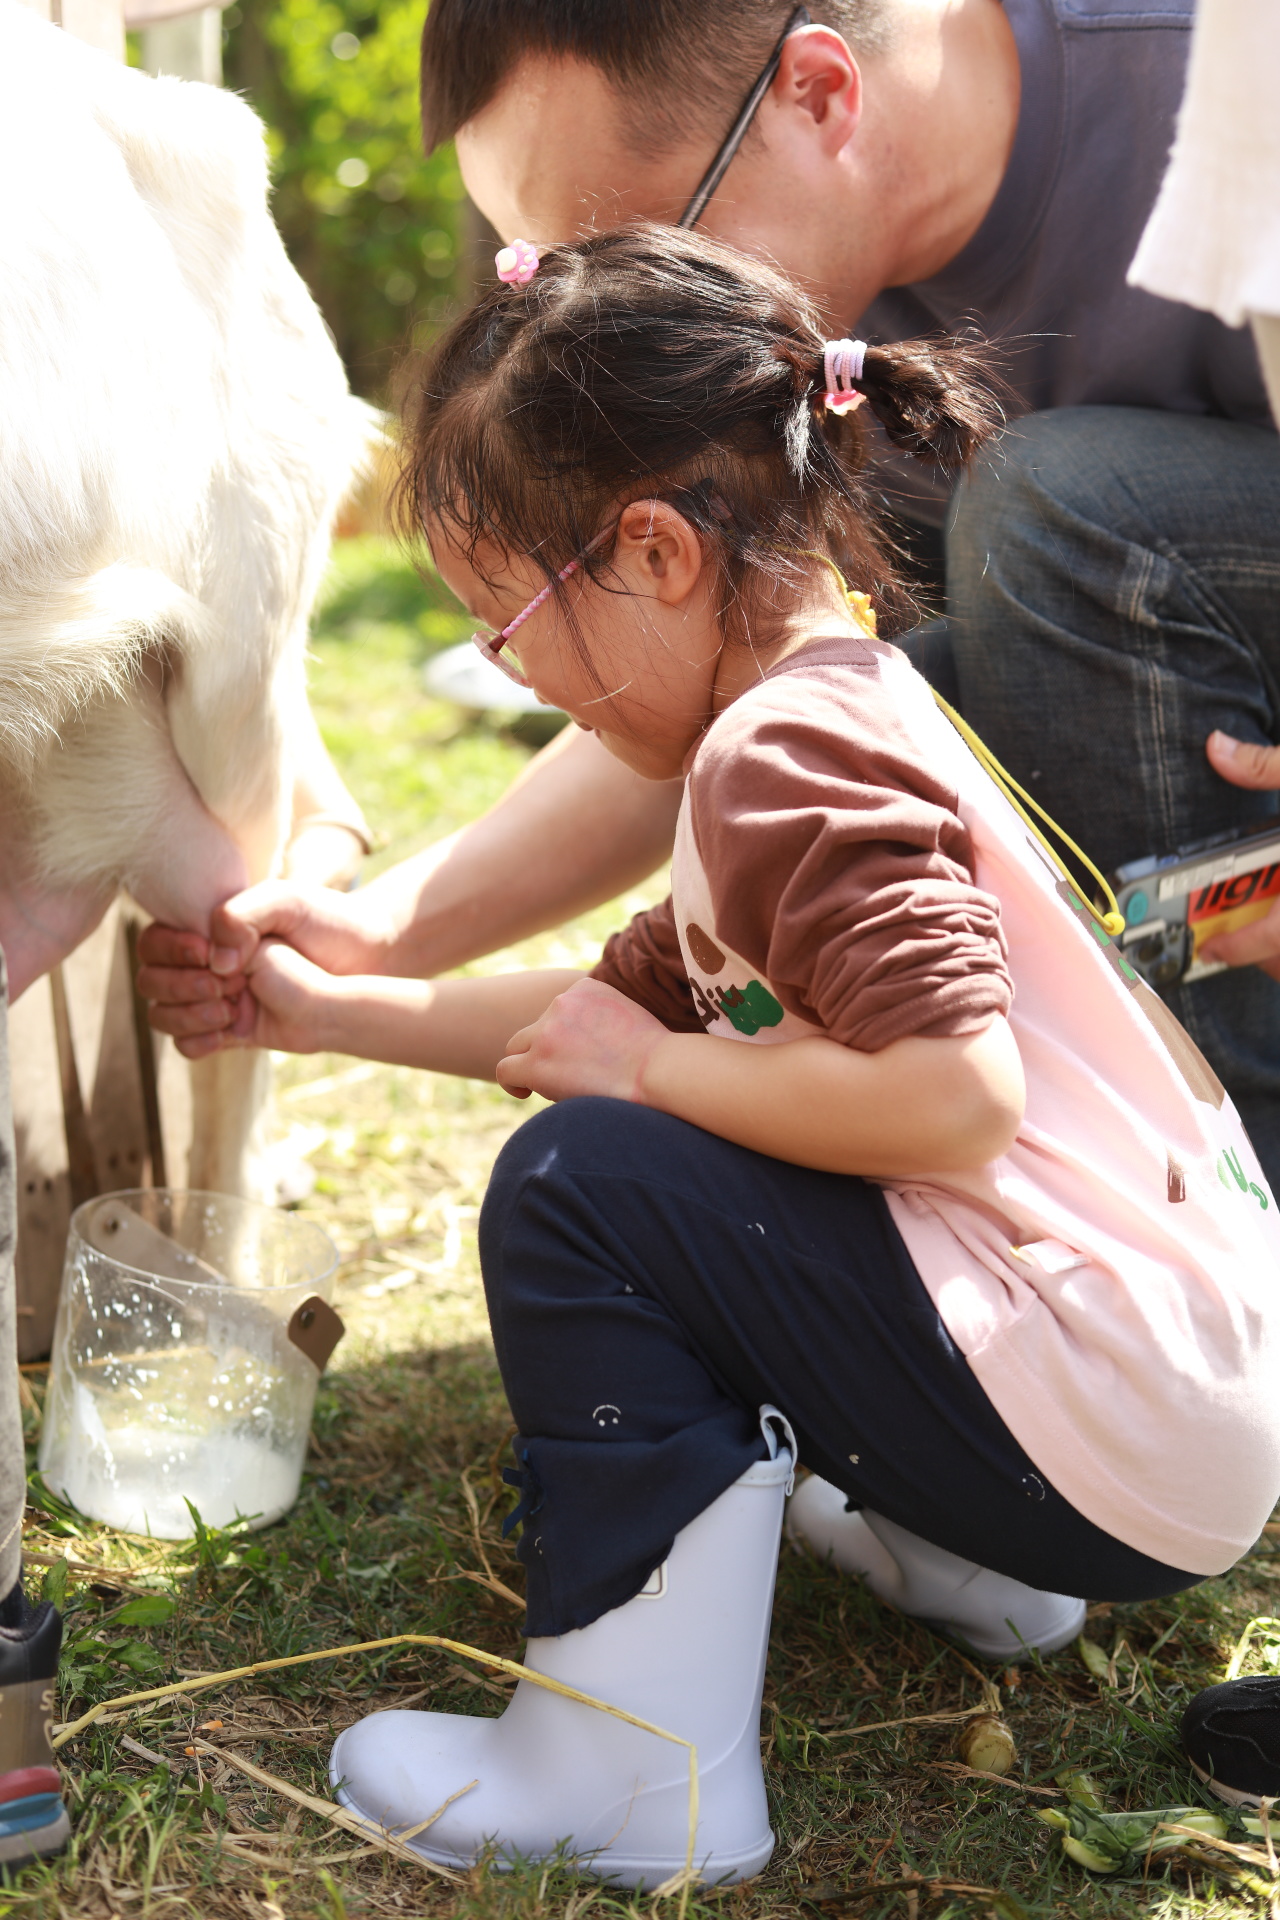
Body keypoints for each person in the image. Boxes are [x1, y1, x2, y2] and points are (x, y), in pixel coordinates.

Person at [225, 227, 1278, 1882]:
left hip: (1097, 1410)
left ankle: (628, 1766)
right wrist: (315, 1004)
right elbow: (602, 1022)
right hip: (1165, 1415)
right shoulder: (844, 710)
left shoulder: (782, 760)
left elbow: (947, 1095)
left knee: (587, 1189)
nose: (532, 689)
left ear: (650, 551)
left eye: (512, 630)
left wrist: (648, 1084)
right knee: (651, 1135)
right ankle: (972, 1564)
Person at [139, 0, 1280, 1188]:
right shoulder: (800, 359)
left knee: (1052, 503)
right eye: (549, 270)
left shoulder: (1220, 89)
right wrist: (387, 939)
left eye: (637, 238)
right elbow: (734, 701)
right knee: (925, 678)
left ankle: (1228, 1218)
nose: (611, 320)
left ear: (817, 93)